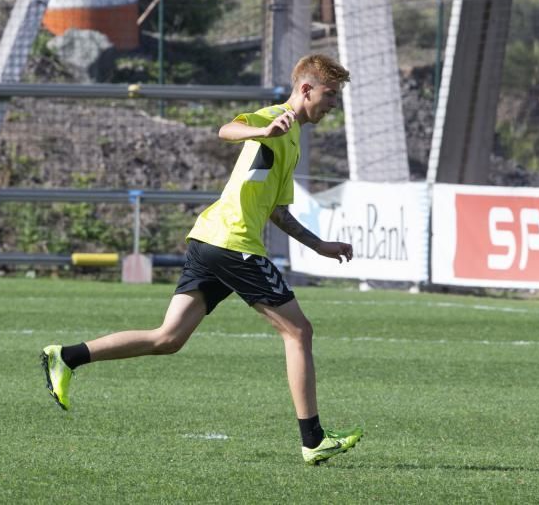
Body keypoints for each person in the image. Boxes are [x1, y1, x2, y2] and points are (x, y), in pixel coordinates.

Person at [40, 54, 363, 465]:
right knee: (298, 332)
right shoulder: (276, 118)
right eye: (330, 95)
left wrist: (319, 246)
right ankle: (313, 439)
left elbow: (277, 211)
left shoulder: (294, 137)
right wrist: (262, 129)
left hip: (210, 238)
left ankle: (66, 357)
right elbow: (226, 129)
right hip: (232, 242)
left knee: (168, 338)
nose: (333, 104)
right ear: (306, 89)